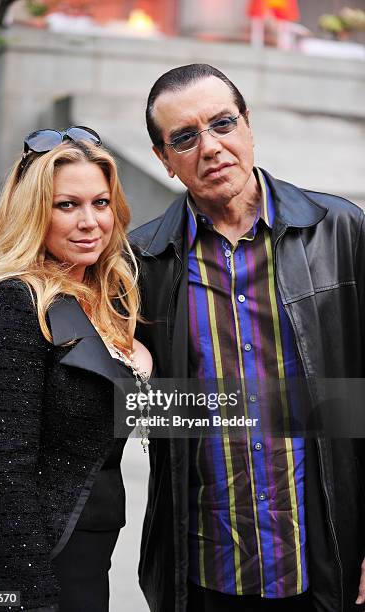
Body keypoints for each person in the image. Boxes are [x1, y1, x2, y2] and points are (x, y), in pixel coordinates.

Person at [127, 64, 365, 611]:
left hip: (323, 561)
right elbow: (101, 395)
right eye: (185, 137)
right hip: (207, 569)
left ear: (248, 125)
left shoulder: (339, 230)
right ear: (163, 159)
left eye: (222, 124)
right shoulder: (144, 262)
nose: (210, 147)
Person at [0, 126, 152, 612]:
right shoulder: (12, 302)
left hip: (87, 545)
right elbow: (6, 471)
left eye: (100, 203)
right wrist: (30, 597)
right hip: (13, 558)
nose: (89, 221)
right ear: (35, 211)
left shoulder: (112, 298)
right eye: (67, 205)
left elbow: (36, 413)